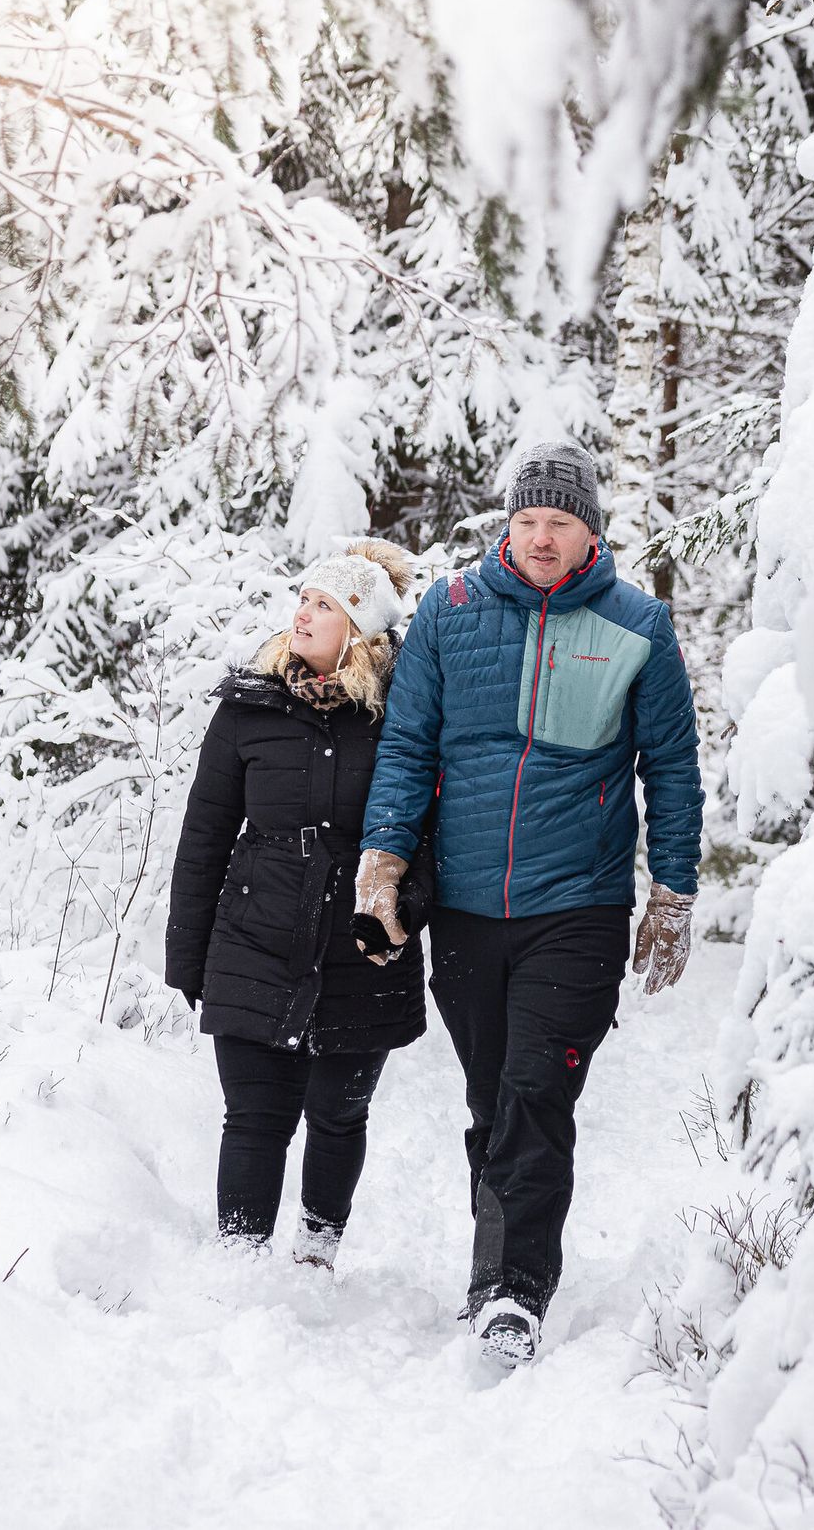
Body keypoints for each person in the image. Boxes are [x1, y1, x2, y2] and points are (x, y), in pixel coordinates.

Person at [353, 441, 702, 1368]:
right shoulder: (450, 611)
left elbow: (670, 768)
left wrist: (672, 891)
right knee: (491, 1095)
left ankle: (514, 1293)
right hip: (467, 906)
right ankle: (497, 1263)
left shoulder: (638, 626)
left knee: (536, 1090)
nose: (542, 537)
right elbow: (408, 745)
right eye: (528, 521)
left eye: (561, 522)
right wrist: (382, 857)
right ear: (508, 525)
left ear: (591, 530)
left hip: (576, 905)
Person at [165, 541, 432, 1270]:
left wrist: (405, 904)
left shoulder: (404, 717)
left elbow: (432, 833)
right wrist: (188, 954)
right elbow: (205, 835)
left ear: (361, 629)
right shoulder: (248, 709)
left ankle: (316, 1252)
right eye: (304, 599)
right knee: (254, 1116)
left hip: (361, 946)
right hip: (255, 936)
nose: (304, 613)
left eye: (326, 605)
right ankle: (240, 1261)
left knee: (338, 1115)